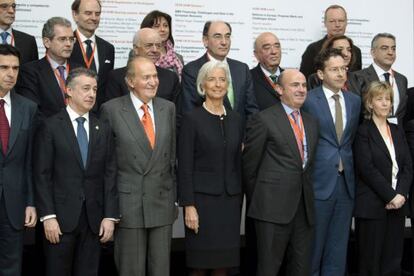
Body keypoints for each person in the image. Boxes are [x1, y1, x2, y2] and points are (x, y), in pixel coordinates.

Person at [34, 67, 119, 276]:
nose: (91, 94)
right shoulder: (50, 126)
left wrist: (110, 216)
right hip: (60, 220)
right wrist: (48, 216)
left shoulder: (103, 128)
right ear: (69, 90)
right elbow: (41, 174)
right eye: (86, 89)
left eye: (95, 89)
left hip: (93, 220)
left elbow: (110, 174)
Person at [100, 56, 177, 276]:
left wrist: (172, 196)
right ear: (131, 81)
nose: (153, 82)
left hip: (161, 202)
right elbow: (107, 164)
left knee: (161, 270)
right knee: (131, 270)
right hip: (129, 204)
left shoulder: (168, 108)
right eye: (146, 77)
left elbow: (171, 158)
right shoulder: (111, 110)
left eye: (155, 76)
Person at [243, 69, 319, 276]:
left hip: (304, 209)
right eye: (295, 85)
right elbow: (250, 167)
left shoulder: (312, 122)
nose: (301, 89)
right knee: (269, 268)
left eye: (304, 85)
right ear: (279, 89)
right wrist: (262, 199)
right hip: (271, 210)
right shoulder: (264, 119)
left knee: (301, 268)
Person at [178, 61, 243, 276]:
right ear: (202, 85)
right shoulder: (191, 119)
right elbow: (184, 165)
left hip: (230, 203)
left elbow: (239, 162)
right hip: (202, 204)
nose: (217, 84)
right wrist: (188, 205)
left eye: (222, 79)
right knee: (199, 264)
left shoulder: (236, 119)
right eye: (212, 79)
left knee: (224, 265)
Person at [302, 48, 361, 276]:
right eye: (333, 69)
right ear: (320, 73)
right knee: (314, 247)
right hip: (319, 182)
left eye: (343, 69)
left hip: (345, 184)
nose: (340, 74)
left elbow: (349, 140)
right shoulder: (309, 100)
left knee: (338, 248)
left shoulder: (354, 101)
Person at [354, 81, 412, 276]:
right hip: (373, 206)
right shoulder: (363, 131)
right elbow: (366, 169)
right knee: (371, 262)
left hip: (398, 205)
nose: (385, 103)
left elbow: (407, 166)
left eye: (388, 99)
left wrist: (401, 194)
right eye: (379, 99)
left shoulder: (397, 131)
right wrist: (390, 196)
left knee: (393, 261)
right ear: (370, 103)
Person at [0, 44, 37, 276]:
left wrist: (31, 202)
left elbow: (31, 161)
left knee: (11, 267)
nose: (11, 73)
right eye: (3, 67)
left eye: (15, 68)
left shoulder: (28, 108)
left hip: (14, 204)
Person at [180, 20, 258, 127]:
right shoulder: (192, 70)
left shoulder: (242, 69)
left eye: (227, 36)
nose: (224, 42)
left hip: (242, 140)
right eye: (217, 36)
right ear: (205, 40)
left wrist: (247, 140)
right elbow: (189, 113)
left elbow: (252, 111)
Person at [16, 17, 81, 121]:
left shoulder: (81, 71)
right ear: (47, 42)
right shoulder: (29, 72)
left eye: (71, 39)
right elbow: (32, 112)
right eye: (62, 39)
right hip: (47, 134)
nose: (69, 44)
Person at [104, 28, 180, 104]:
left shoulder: (171, 78)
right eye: (149, 45)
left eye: (158, 46)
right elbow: (112, 111)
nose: (155, 50)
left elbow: (175, 112)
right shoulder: (116, 77)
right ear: (136, 48)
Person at [350, 33, 407, 125]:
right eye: (384, 48)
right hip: (368, 136)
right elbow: (355, 112)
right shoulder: (358, 77)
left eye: (393, 48)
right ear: (373, 52)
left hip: (397, 136)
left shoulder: (402, 80)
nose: (390, 52)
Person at [70, 0, 115, 108]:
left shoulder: (108, 48)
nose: (94, 18)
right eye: (88, 13)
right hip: (72, 110)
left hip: (100, 114)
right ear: (75, 15)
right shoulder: (66, 44)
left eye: (97, 14)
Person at [299, 4, 362, 78]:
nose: (337, 25)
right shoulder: (313, 49)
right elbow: (304, 80)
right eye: (332, 21)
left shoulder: (356, 51)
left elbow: (357, 83)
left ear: (346, 23)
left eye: (341, 21)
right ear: (325, 23)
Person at [141, 10, 184, 79]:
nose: (162, 29)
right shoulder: (139, 54)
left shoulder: (178, 58)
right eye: (157, 26)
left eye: (165, 26)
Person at [250, 32, 284, 110]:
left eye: (277, 46)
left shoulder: (289, 77)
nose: (274, 52)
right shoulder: (248, 78)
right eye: (267, 47)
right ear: (256, 54)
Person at [0, 0, 38, 64]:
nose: (11, 11)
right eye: (4, 6)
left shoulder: (29, 41)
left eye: (13, 6)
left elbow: (33, 71)